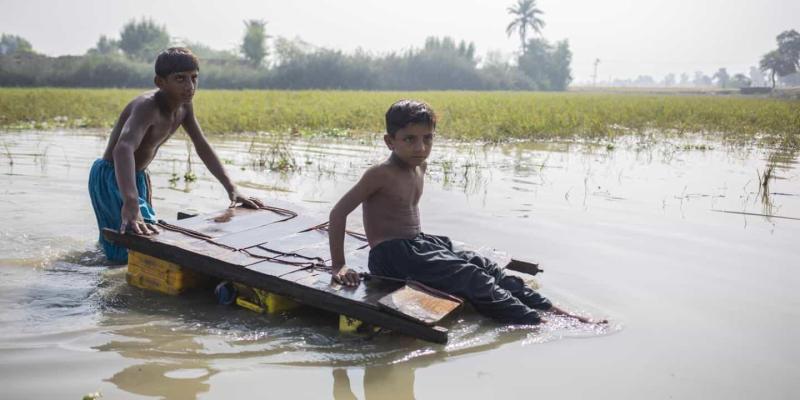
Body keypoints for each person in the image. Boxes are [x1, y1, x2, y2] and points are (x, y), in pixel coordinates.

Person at [328, 99, 602, 325]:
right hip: (392, 256)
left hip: (420, 244)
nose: (420, 148)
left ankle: (554, 311)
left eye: (427, 139)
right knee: (471, 277)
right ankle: (536, 322)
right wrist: (339, 264)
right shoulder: (380, 174)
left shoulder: (419, 167)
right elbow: (338, 213)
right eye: (409, 139)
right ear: (390, 141)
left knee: (484, 266)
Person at [89, 47, 260, 263]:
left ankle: (101, 260)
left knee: (140, 234)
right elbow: (122, 149)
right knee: (130, 244)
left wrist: (232, 189)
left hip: (137, 176)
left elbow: (201, 145)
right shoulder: (147, 106)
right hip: (113, 176)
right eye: (180, 79)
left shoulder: (184, 107)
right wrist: (130, 200)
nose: (190, 86)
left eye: (194, 78)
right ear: (160, 82)